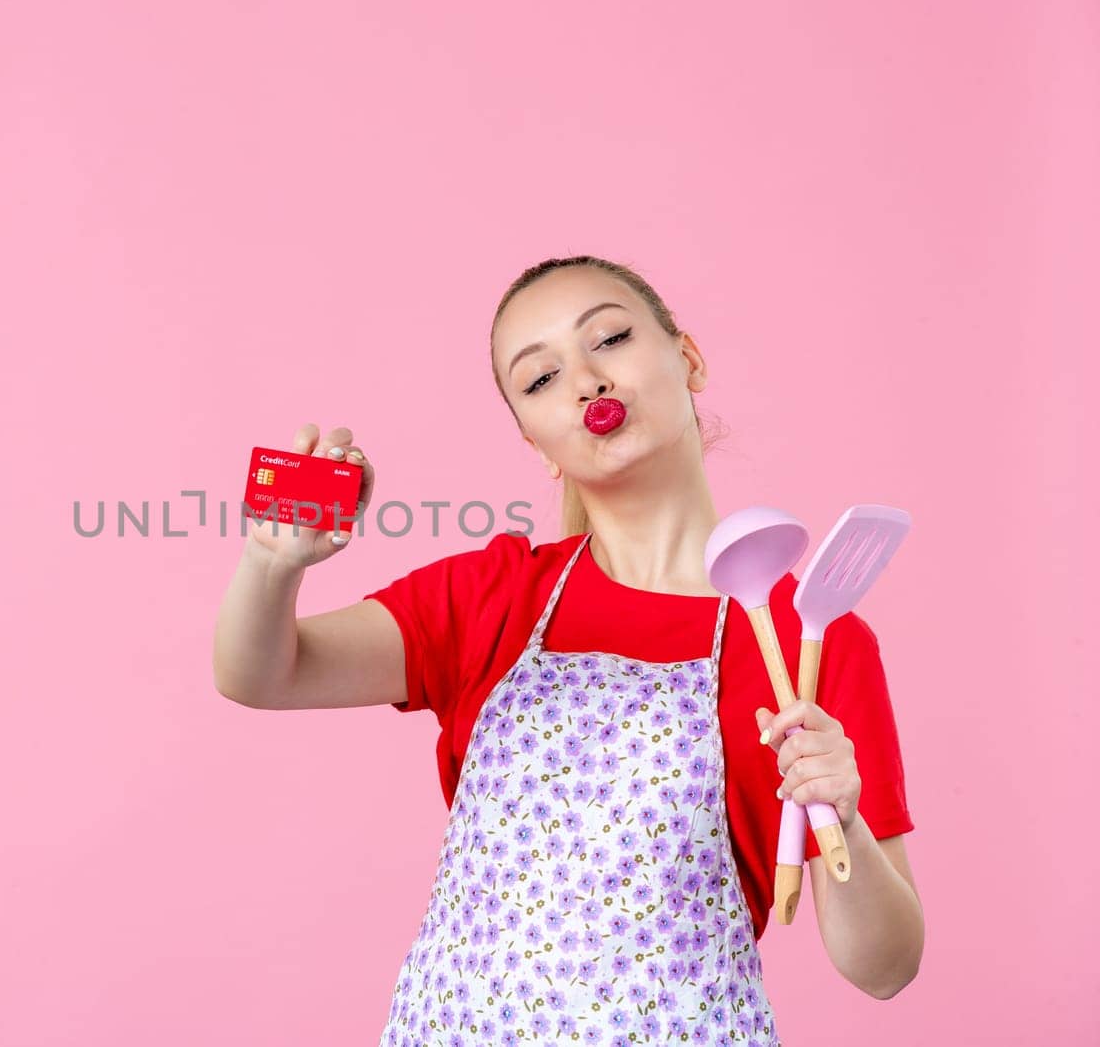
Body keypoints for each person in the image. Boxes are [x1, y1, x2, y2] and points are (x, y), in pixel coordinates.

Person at [211, 255, 923, 1045]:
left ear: (688, 359)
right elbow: (264, 673)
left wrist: (843, 817)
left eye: (610, 338)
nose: (585, 382)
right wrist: (272, 565)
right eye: (541, 380)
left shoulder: (811, 638)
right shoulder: (495, 597)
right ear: (536, 442)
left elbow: (885, 967)